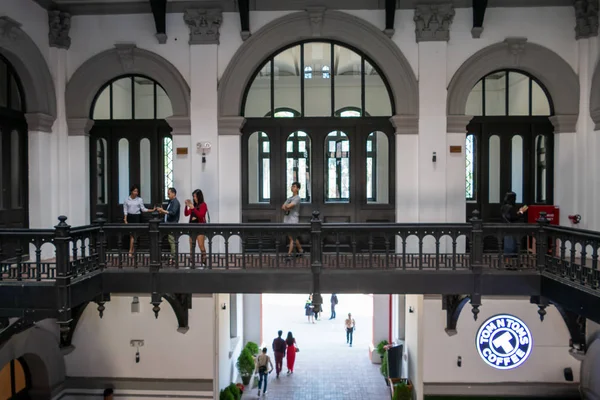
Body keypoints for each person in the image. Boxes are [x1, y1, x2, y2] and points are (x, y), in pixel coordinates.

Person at [123, 184, 155, 256]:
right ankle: (131, 250)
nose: (136, 193)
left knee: (134, 235)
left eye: (137, 191)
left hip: (137, 217)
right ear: (131, 191)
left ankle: (131, 251)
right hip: (130, 217)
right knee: (131, 235)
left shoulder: (139, 199)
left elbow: (143, 209)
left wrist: (152, 210)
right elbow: (125, 210)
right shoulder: (126, 200)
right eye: (134, 191)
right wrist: (125, 219)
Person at [501, 191, 528, 263]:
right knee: (511, 246)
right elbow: (513, 217)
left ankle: (508, 262)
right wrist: (521, 211)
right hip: (511, 228)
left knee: (509, 246)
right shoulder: (509, 207)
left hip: (507, 228)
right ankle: (511, 263)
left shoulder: (504, 206)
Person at [184, 189, 208, 265]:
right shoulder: (194, 205)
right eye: (193, 196)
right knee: (191, 245)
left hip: (200, 228)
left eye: (195, 196)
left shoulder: (203, 205)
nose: (193, 198)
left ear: (199, 196)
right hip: (192, 227)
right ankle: (192, 260)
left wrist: (193, 208)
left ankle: (204, 260)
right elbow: (186, 214)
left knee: (201, 245)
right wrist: (186, 206)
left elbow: (201, 216)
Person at [157, 187, 180, 264]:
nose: (168, 195)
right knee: (169, 240)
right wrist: (163, 212)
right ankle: (169, 257)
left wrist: (163, 211)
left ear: (173, 193)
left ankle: (173, 258)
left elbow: (173, 213)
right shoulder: (170, 202)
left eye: (169, 193)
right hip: (167, 224)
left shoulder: (176, 202)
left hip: (172, 224)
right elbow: (168, 212)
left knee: (172, 240)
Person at [281, 181, 303, 260]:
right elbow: (283, 207)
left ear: (298, 189)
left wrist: (287, 206)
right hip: (287, 219)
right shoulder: (289, 198)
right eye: (292, 186)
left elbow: (290, 205)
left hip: (293, 219)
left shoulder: (297, 198)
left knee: (292, 237)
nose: (292, 188)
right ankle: (300, 250)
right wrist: (287, 206)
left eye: (294, 186)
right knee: (291, 237)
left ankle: (289, 254)